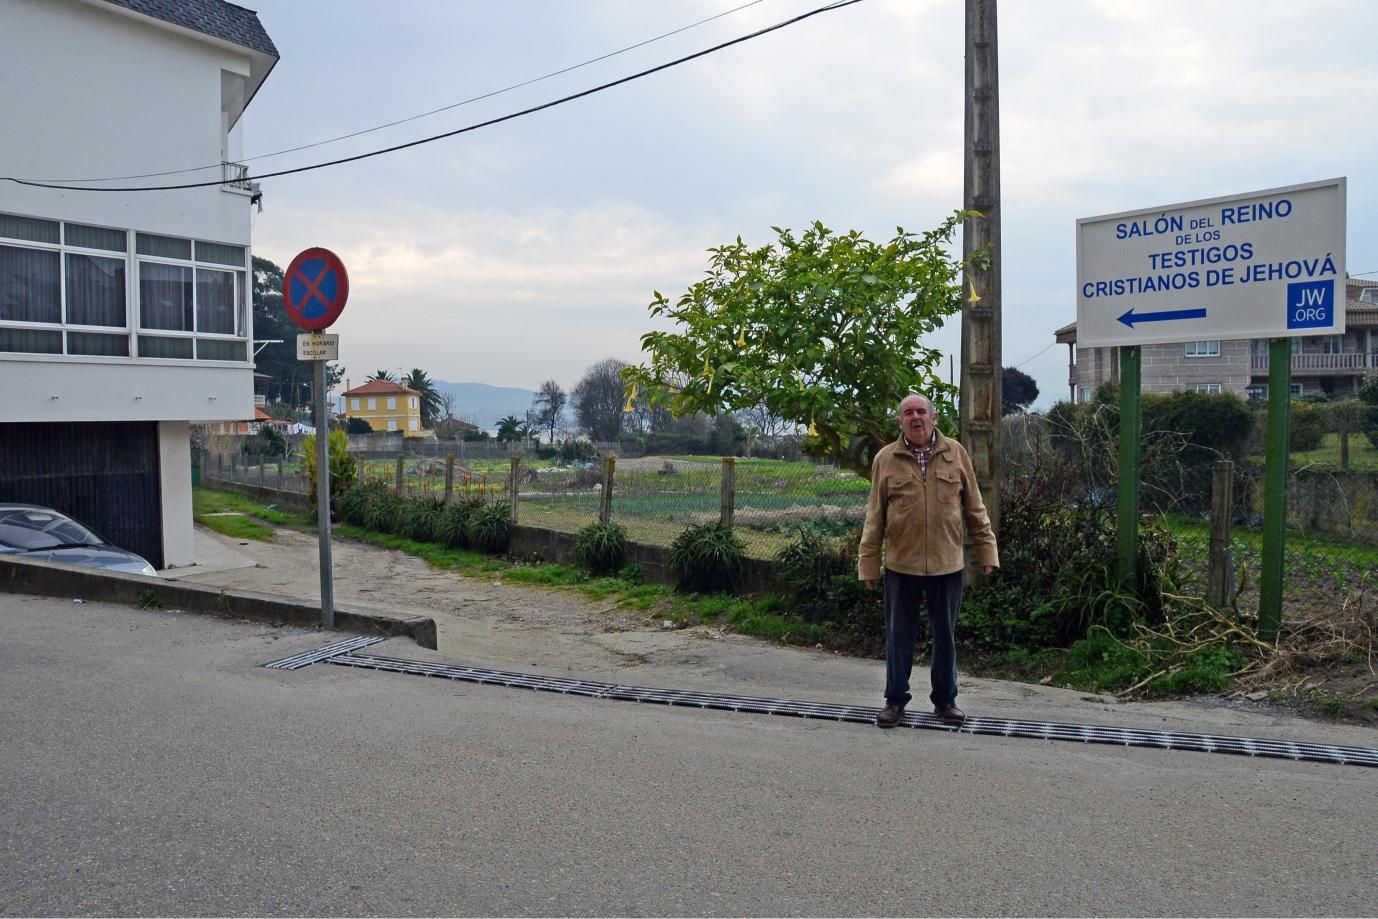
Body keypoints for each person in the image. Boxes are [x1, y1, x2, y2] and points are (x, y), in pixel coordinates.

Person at [857, 393, 999, 728]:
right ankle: (894, 702)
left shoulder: (956, 454)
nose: (916, 417)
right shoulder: (886, 459)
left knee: (945, 636)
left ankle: (945, 702)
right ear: (901, 421)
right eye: (908, 413)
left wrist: (986, 551)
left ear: (934, 417)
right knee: (898, 637)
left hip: (947, 565)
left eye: (922, 411)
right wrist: (868, 564)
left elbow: (975, 509)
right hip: (900, 566)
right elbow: (874, 517)